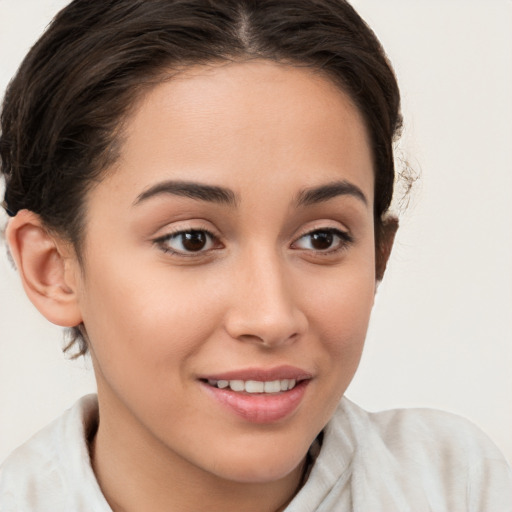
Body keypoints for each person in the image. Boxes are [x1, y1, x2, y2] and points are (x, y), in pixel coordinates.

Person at [0, 0, 510, 510]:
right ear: (53, 270)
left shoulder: (458, 487)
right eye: (191, 239)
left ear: (378, 255)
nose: (271, 318)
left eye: (322, 238)